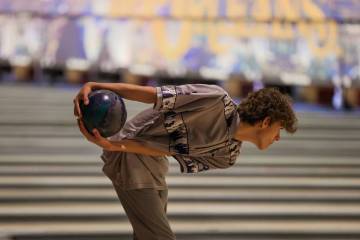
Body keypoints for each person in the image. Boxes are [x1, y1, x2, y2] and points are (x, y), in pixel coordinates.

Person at [73, 82, 297, 240]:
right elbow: (153, 95)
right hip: (130, 160)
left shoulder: (227, 156)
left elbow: (161, 149)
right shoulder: (215, 100)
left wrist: (113, 146)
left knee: (147, 235)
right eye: (279, 130)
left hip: (152, 163)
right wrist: (96, 85)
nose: (278, 138)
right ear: (265, 122)